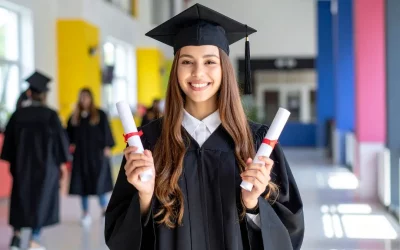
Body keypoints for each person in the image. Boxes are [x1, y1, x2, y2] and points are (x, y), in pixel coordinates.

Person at [105, 3, 304, 250]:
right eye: (187, 62)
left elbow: (290, 233)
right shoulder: (148, 143)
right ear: (176, 69)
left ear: (225, 70)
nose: (198, 73)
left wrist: (254, 205)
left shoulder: (256, 142)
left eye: (210, 62)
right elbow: (118, 237)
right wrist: (145, 197)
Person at [1, 71, 70, 250]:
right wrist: (62, 165)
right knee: (42, 200)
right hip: (46, 168)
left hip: (22, 167)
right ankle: (34, 239)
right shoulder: (51, 115)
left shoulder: (17, 115)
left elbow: (8, 145)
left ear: (29, 93)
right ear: (45, 94)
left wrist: (15, 164)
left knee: (20, 200)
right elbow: (61, 144)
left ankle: (16, 239)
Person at [66, 88, 115, 226]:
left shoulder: (99, 115)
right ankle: (85, 212)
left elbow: (107, 131)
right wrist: (70, 146)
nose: (84, 100)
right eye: (81, 97)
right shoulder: (75, 117)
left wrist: (107, 147)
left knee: (99, 183)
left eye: (86, 97)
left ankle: (104, 209)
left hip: (96, 156)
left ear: (91, 98)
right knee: (82, 186)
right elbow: (68, 135)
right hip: (81, 157)